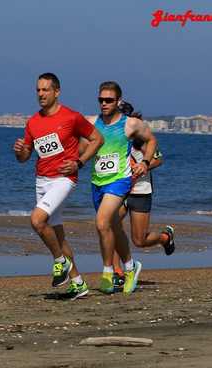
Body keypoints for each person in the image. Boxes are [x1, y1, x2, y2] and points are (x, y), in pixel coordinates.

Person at [14, 73, 103, 300]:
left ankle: (59, 261)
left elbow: (97, 140)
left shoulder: (72, 117)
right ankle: (78, 283)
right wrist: (20, 151)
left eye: (45, 90)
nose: (41, 94)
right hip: (41, 181)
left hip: (64, 179)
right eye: (38, 90)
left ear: (57, 92)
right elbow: (24, 157)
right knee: (59, 237)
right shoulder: (33, 121)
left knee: (37, 220)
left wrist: (79, 162)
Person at [90, 81, 158, 295]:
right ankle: (130, 267)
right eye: (101, 100)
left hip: (120, 182)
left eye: (108, 100)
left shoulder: (131, 124)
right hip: (98, 182)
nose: (104, 104)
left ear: (118, 101)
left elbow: (152, 140)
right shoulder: (92, 122)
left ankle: (108, 272)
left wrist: (145, 163)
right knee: (113, 226)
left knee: (102, 223)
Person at [110, 102, 175, 290]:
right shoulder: (110, 136)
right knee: (111, 225)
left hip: (141, 190)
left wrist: (144, 166)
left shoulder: (142, 135)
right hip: (119, 190)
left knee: (139, 240)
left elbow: (159, 159)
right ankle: (118, 272)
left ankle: (164, 237)